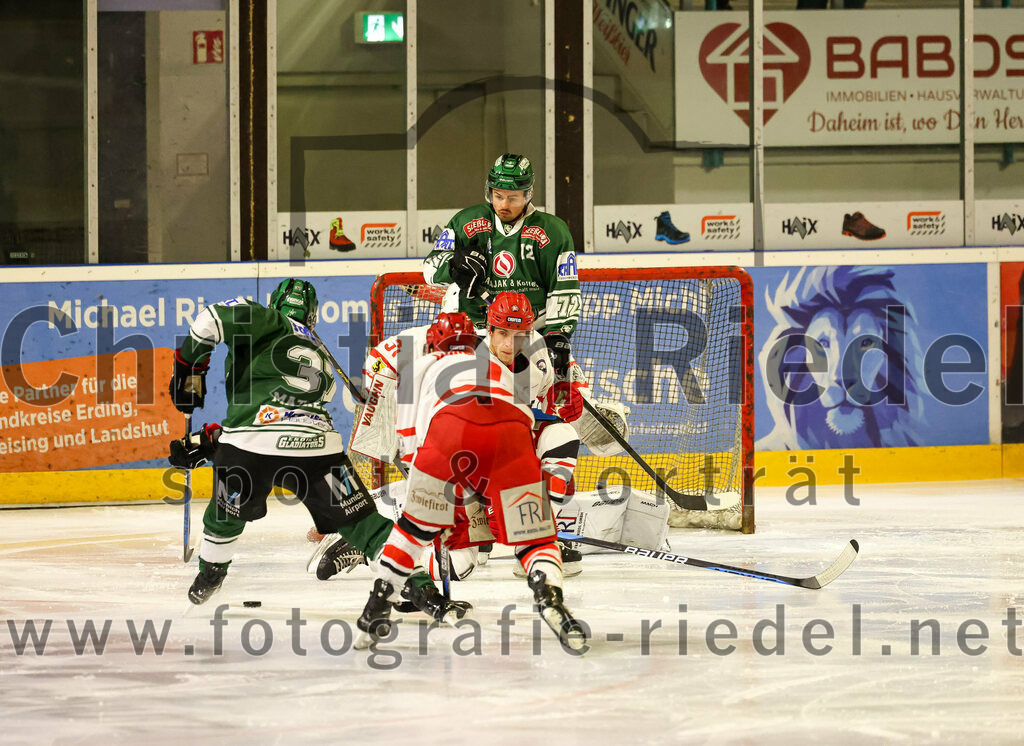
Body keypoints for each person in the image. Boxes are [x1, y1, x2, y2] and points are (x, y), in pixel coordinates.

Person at [168, 278, 467, 623]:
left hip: (251, 448)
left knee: (226, 515)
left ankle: (211, 573)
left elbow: (209, 322)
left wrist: (190, 367)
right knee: (365, 526)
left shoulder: (266, 318)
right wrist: (215, 440)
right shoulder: (318, 347)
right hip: (319, 449)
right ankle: (422, 590)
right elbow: (290, 418)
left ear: (276, 303)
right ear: (312, 317)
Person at [354, 309, 588, 653]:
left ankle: (376, 609)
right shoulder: (497, 367)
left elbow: (410, 446)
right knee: (534, 539)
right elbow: (519, 424)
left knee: (412, 534)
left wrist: (443, 506)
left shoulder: (418, 367)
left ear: (434, 344)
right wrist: (495, 500)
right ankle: (549, 594)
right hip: (510, 442)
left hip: (449, 440)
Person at [317, 291, 586, 582]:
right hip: (454, 460)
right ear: (490, 328)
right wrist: (379, 404)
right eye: (504, 333)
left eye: (520, 334)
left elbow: (545, 418)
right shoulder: (459, 345)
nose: (511, 344)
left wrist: (568, 398)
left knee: (562, 436)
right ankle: (376, 546)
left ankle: (534, 536)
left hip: (499, 459)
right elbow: (381, 359)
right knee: (458, 566)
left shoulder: (541, 357)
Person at [422, 152, 581, 381]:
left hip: (528, 336)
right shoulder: (466, 222)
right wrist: (454, 265)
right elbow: (430, 270)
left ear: (528, 195)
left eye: (513, 198)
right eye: (498, 196)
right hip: (474, 332)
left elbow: (564, 289)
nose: (503, 205)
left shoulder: (553, 232)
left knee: (570, 391)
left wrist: (557, 335)